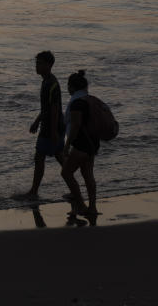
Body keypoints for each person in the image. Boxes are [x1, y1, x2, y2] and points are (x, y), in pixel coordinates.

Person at [22, 50, 65, 198]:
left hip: (52, 126)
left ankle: (34, 191)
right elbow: (46, 108)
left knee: (39, 157)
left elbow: (54, 109)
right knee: (60, 156)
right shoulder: (46, 81)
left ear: (49, 65)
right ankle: (74, 188)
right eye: (36, 63)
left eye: (39, 63)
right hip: (53, 124)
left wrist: (53, 132)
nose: (36, 66)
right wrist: (36, 121)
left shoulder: (51, 84)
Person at [61, 70, 99, 221]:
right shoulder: (89, 99)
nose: (67, 89)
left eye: (68, 86)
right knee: (88, 174)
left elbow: (75, 125)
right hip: (92, 143)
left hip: (81, 145)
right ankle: (93, 207)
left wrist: (66, 145)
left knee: (66, 173)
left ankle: (81, 204)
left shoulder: (77, 103)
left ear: (72, 87)